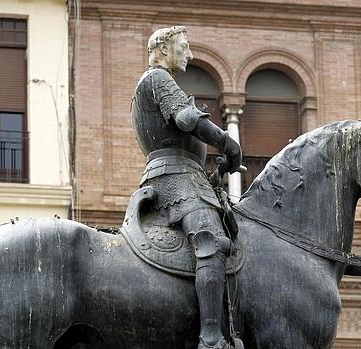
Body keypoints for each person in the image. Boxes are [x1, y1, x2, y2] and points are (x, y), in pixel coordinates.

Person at [131, 26, 242, 349]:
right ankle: (210, 338)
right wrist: (227, 142)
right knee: (209, 238)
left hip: (185, 173)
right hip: (173, 175)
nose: (190, 55)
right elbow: (185, 119)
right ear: (164, 48)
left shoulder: (158, 82)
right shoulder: (157, 79)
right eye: (184, 46)